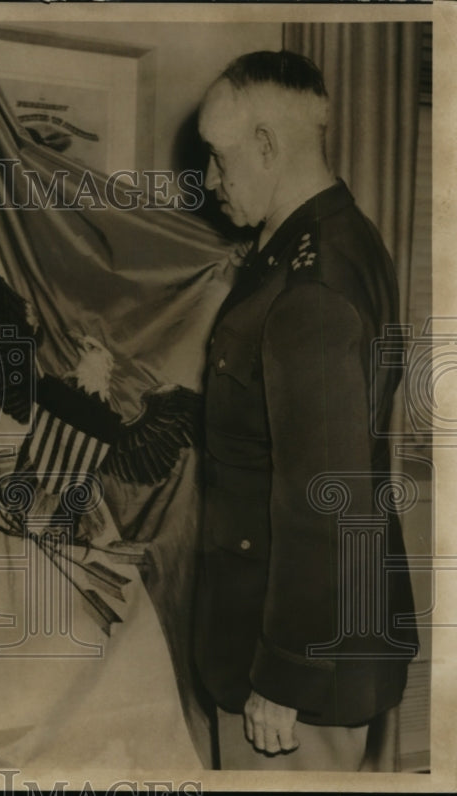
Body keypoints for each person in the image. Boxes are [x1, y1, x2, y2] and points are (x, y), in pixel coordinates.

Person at [192, 51, 418, 770]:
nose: (209, 180)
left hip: (296, 670)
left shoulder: (308, 287)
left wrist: (282, 677)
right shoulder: (347, 238)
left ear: (265, 145)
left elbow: (321, 497)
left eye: (218, 157)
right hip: (341, 644)